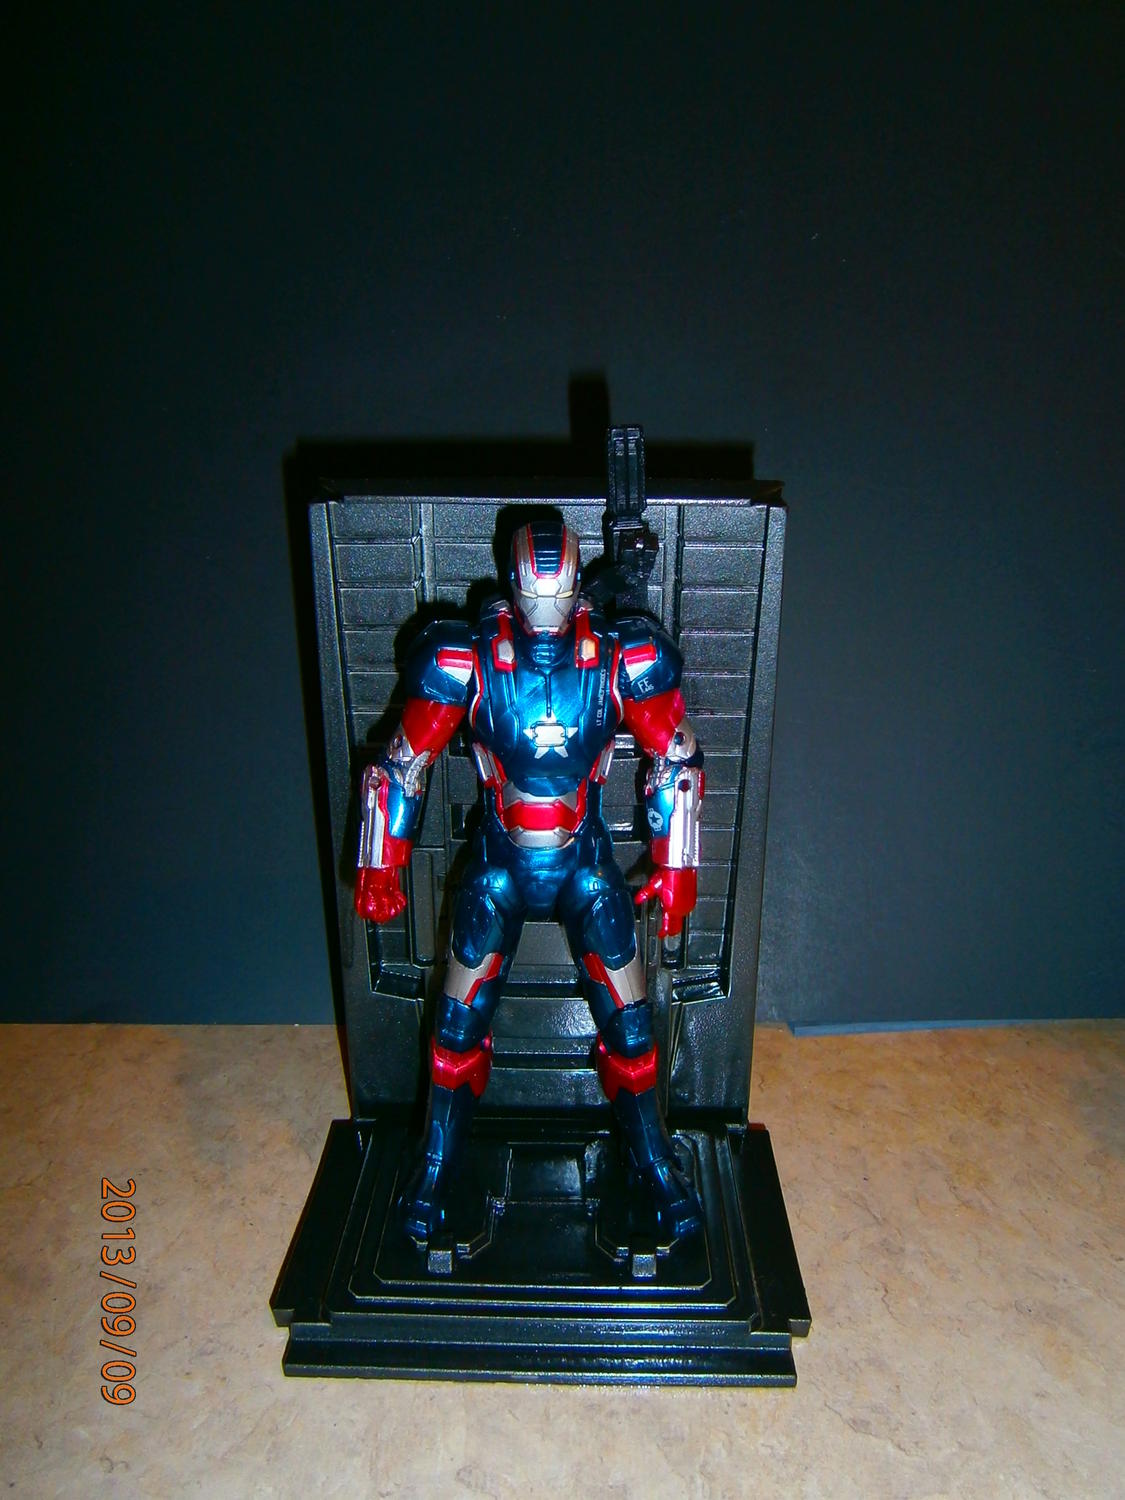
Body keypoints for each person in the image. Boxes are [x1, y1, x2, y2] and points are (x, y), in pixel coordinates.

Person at [355, 515, 705, 1243]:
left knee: (631, 1024)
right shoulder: (466, 659)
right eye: (535, 592)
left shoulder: (620, 656)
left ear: (575, 586)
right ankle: (436, 1163)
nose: (547, 609)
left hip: (584, 863)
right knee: (456, 1025)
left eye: (559, 592)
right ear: (514, 587)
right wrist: (381, 859)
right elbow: (404, 762)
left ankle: (653, 1161)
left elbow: (674, 753)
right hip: (500, 866)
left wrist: (677, 864)